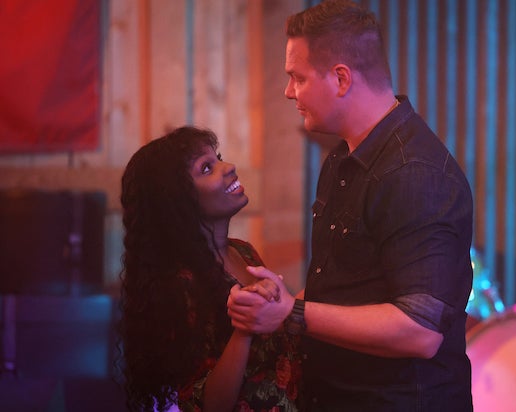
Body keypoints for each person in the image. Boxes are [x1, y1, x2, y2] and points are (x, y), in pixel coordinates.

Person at [227, 1, 474, 411]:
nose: (288, 92)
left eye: (298, 78)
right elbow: (347, 287)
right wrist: (278, 303)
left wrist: (292, 313)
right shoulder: (344, 157)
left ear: (341, 78)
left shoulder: (415, 173)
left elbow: (420, 331)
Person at [118, 126, 302, 412]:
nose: (229, 167)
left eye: (219, 158)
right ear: (178, 200)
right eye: (207, 168)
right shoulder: (177, 285)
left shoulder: (244, 252)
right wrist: (244, 329)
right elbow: (208, 404)